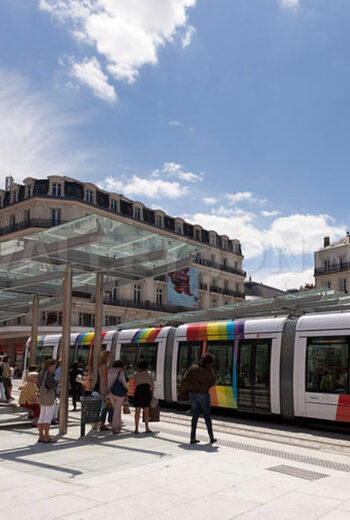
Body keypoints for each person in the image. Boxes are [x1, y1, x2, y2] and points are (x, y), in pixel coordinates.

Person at [179, 353, 217, 444]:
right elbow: (213, 382)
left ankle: (192, 438)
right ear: (209, 362)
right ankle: (211, 438)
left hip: (193, 395)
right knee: (207, 416)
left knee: (195, 416)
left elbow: (185, 379)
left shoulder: (192, 369)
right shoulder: (209, 371)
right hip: (204, 395)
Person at [37, 359, 58, 443]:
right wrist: (57, 381)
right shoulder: (49, 374)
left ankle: (40, 436)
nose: (54, 368)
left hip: (42, 396)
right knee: (48, 416)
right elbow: (51, 385)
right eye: (54, 366)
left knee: (42, 416)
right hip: (49, 397)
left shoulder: (40, 373)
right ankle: (46, 436)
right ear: (50, 366)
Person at [133, 361, 154, 434]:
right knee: (146, 411)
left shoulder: (136, 374)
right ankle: (147, 428)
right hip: (146, 392)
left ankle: (136, 429)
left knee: (137, 411)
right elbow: (152, 386)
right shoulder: (149, 374)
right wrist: (152, 394)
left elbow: (135, 383)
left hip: (138, 392)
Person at [108, 360, 128, 434]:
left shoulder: (109, 371)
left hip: (111, 392)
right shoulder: (121, 373)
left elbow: (109, 382)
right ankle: (114, 426)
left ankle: (118, 426)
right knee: (117, 410)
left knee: (117, 409)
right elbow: (124, 384)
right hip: (119, 394)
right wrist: (126, 392)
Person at [98, 351, 112, 431]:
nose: (110, 358)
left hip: (102, 387)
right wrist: (110, 388)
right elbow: (107, 379)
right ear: (106, 357)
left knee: (105, 406)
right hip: (106, 388)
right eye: (109, 356)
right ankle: (102, 423)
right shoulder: (105, 366)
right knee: (106, 407)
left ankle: (102, 423)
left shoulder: (101, 366)